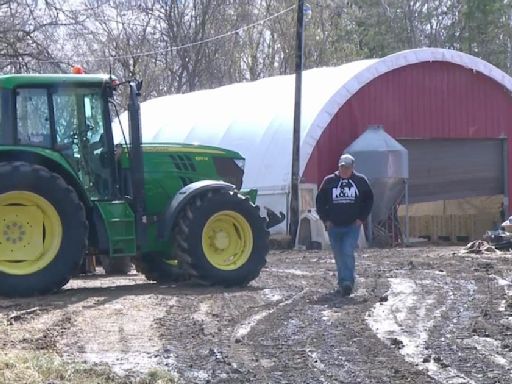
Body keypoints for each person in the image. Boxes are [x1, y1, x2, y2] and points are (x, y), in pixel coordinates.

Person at [315, 153, 374, 296]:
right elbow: (320, 201)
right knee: (338, 253)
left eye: (347, 168)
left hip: (352, 226)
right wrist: (325, 219)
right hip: (334, 226)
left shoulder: (361, 181)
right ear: (339, 167)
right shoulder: (329, 181)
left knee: (347, 250)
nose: (344, 170)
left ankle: (348, 282)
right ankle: (342, 281)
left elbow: (369, 200)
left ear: (352, 167)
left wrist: (361, 218)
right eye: (342, 167)